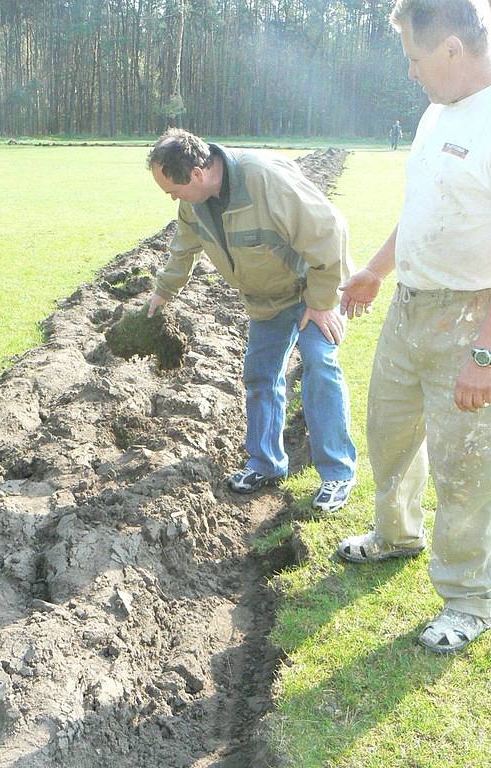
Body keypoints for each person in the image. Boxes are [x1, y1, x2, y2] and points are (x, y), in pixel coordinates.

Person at [337, 0, 491, 653]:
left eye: (416, 57)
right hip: (410, 305)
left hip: (471, 315)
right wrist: (375, 269)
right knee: (390, 432)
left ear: (453, 50)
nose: (410, 71)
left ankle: (469, 598)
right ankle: (396, 534)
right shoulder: (436, 114)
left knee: (465, 465)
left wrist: (484, 355)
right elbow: (423, 210)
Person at [146, 129, 357, 512]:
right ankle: (266, 464)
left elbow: (329, 230)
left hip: (315, 286)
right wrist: (163, 292)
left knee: (319, 365)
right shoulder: (194, 204)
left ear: (196, 174)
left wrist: (323, 302)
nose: (172, 198)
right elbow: (183, 249)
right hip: (268, 298)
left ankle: (337, 473)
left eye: (173, 190)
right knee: (260, 374)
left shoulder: (263, 179)